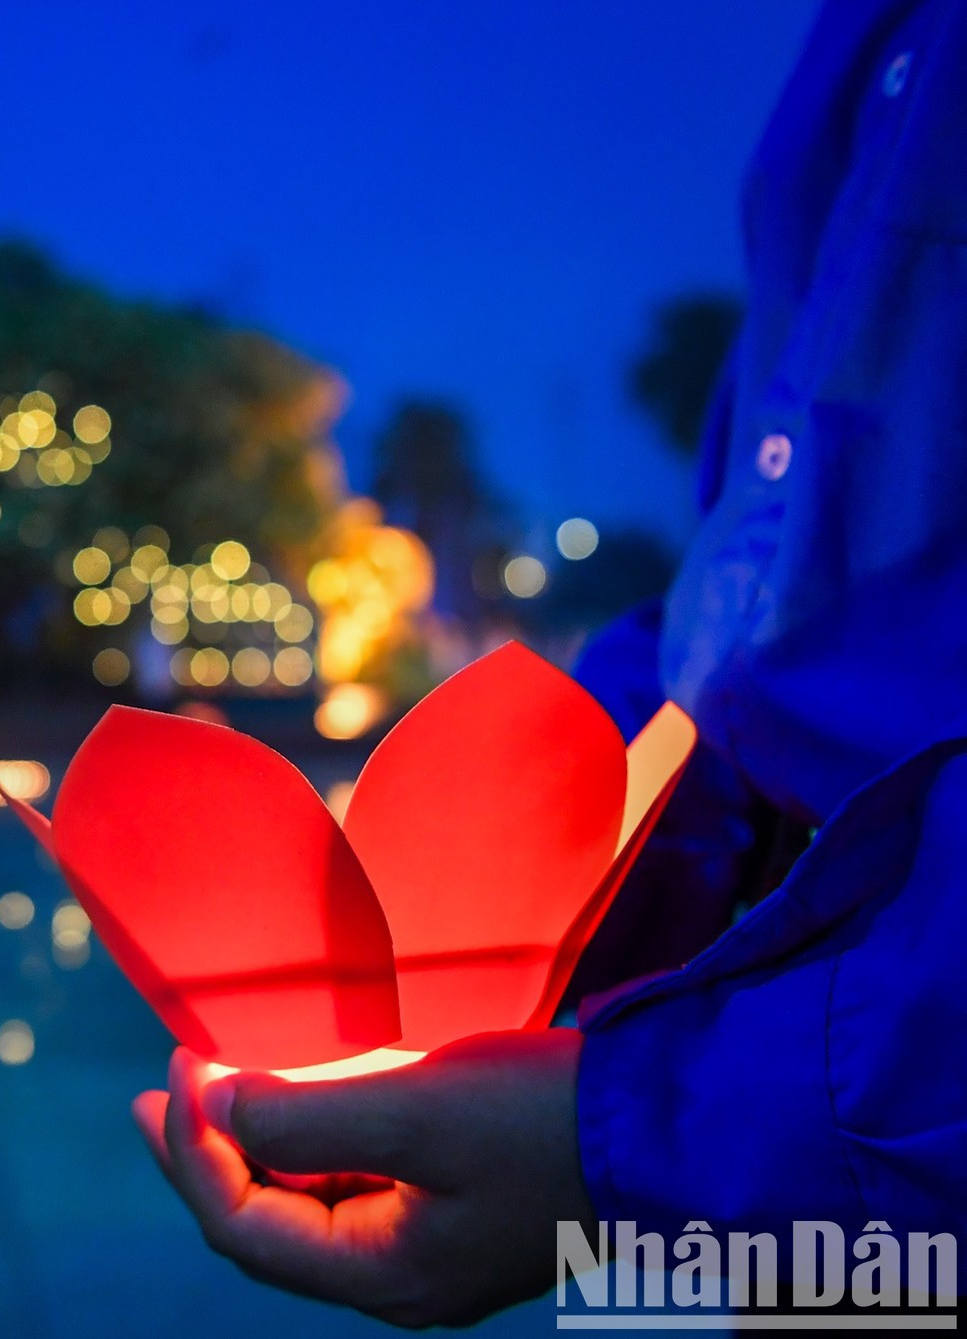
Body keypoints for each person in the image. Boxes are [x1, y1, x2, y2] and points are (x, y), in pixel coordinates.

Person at [132, 1, 967, 1324]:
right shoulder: (863, 40)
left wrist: (631, 1140)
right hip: (821, 1164)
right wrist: (506, 856)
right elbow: (750, 619)